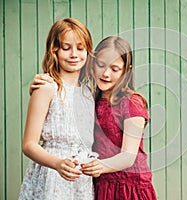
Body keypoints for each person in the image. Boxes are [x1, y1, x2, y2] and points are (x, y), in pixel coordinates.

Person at [30, 36, 157, 200]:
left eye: (115, 69)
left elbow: (128, 156)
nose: (106, 73)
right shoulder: (89, 98)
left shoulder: (132, 103)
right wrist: (40, 86)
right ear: (93, 62)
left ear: (126, 70)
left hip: (129, 187)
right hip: (100, 184)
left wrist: (100, 166)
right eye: (101, 65)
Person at [19, 18, 97, 200]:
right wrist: (58, 164)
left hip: (80, 178)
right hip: (51, 175)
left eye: (80, 48)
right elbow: (28, 145)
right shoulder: (46, 87)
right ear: (54, 50)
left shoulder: (88, 93)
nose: (74, 54)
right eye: (66, 47)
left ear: (88, 51)